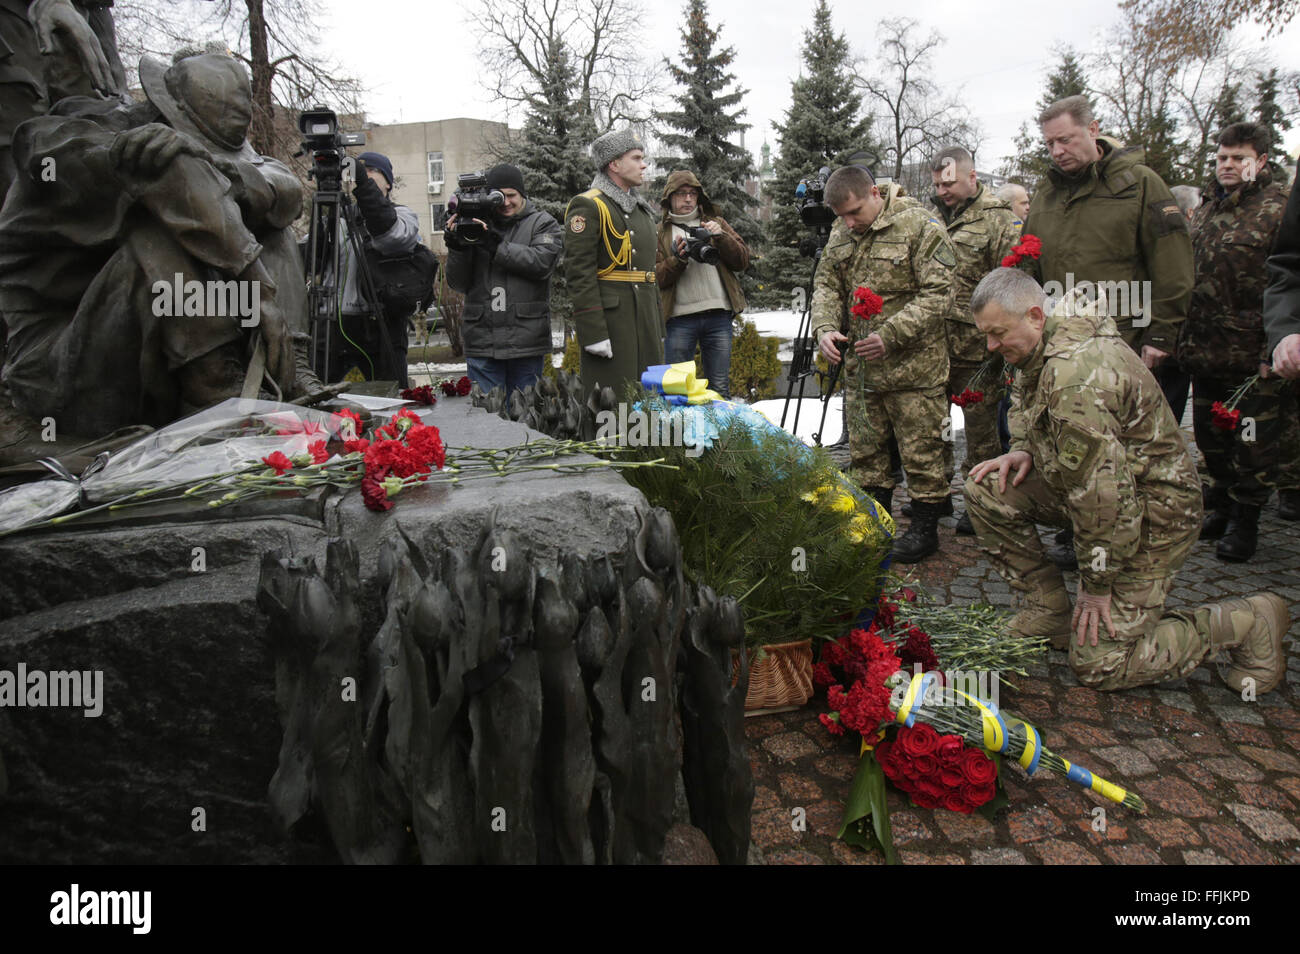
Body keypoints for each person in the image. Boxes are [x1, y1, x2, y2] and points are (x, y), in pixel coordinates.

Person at [965, 268, 1289, 693]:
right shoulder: (1038, 345)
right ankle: (1049, 610)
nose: (991, 346)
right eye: (985, 335)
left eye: (998, 333)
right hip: (1105, 493)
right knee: (987, 489)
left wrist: (1096, 585)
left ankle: (1246, 621)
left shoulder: (1075, 378)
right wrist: (1024, 445)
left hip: (1156, 514)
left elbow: (1103, 497)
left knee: (1100, 665)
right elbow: (1025, 397)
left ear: (1035, 316)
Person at [0, 52, 312, 436]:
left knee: (270, 226)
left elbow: (286, 191)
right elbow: (168, 173)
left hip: (156, 362)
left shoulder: (188, 152)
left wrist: (227, 173)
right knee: (154, 229)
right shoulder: (68, 142)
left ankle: (292, 362)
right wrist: (258, 289)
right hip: (64, 375)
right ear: (168, 111)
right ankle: (214, 387)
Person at [1022, 94, 1194, 569]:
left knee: (1127, 446)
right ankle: (1080, 530)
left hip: (1127, 340)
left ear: (1093, 130)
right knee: (1074, 440)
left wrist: (1162, 333)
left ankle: (1138, 534)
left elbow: (1173, 263)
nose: (1057, 151)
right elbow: (1030, 261)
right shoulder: (1047, 195)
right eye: (1050, 143)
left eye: (1066, 139)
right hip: (1065, 343)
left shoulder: (1138, 185)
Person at [811, 164, 955, 563]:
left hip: (914, 368)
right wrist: (824, 327)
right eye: (841, 216)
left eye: (854, 212)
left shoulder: (921, 226)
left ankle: (925, 528)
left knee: (921, 450)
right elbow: (826, 284)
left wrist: (890, 335)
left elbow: (939, 295)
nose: (849, 223)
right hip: (863, 372)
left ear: (875, 193)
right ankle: (876, 520)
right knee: (866, 452)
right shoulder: (844, 229)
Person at [1179, 122, 1290, 561]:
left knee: (1253, 440)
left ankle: (1247, 521)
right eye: (1222, 157)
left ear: (1259, 161)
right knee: (1211, 438)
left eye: (1237, 158)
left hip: (1253, 355)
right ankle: (1222, 505)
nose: (1227, 165)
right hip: (1206, 350)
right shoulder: (1207, 207)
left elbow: (1288, 281)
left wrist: (1274, 345)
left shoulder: (1280, 210)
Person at [929, 146, 1021, 535]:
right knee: (933, 430)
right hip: (932, 347)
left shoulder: (1000, 221)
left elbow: (1011, 283)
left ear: (972, 176)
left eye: (948, 183)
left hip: (978, 351)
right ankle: (934, 496)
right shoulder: (929, 218)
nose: (942, 190)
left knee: (981, 433)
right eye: (937, 184)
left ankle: (980, 501)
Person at [445, 163, 562, 397]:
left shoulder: (542, 222)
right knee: (486, 418)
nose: (506, 202)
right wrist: (458, 247)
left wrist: (496, 245)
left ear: (522, 195)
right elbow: (458, 283)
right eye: (499, 197)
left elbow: (541, 263)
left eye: (512, 196)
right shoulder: (474, 225)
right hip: (482, 340)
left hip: (525, 340)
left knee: (526, 415)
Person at [564, 128, 663, 396]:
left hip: (644, 320)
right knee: (611, 406)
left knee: (648, 404)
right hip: (611, 324)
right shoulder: (589, 205)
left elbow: (647, 274)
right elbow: (579, 273)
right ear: (614, 164)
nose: (643, 165)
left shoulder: (641, 211)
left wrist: (657, 325)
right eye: (636, 158)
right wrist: (593, 332)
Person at [322, 149, 422, 388]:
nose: (363, 176)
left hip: (384, 325)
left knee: (391, 401)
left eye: (370, 171)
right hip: (338, 326)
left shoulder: (403, 216)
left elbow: (390, 236)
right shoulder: (341, 220)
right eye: (359, 172)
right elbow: (313, 260)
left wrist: (363, 185)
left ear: (388, 183)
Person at [654, 169, 749, 400]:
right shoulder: (660, 232)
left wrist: (721, 238)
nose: (688, 199)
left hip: (718, 316)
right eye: (681, 194)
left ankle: (719, 437)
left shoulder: (715, 223)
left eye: (692, 194)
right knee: (678, 390)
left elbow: (742, 260)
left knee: (719, 389)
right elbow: (654, 278)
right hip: (678, 320)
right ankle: (683, 436)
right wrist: (678, 260)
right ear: (670, 198)